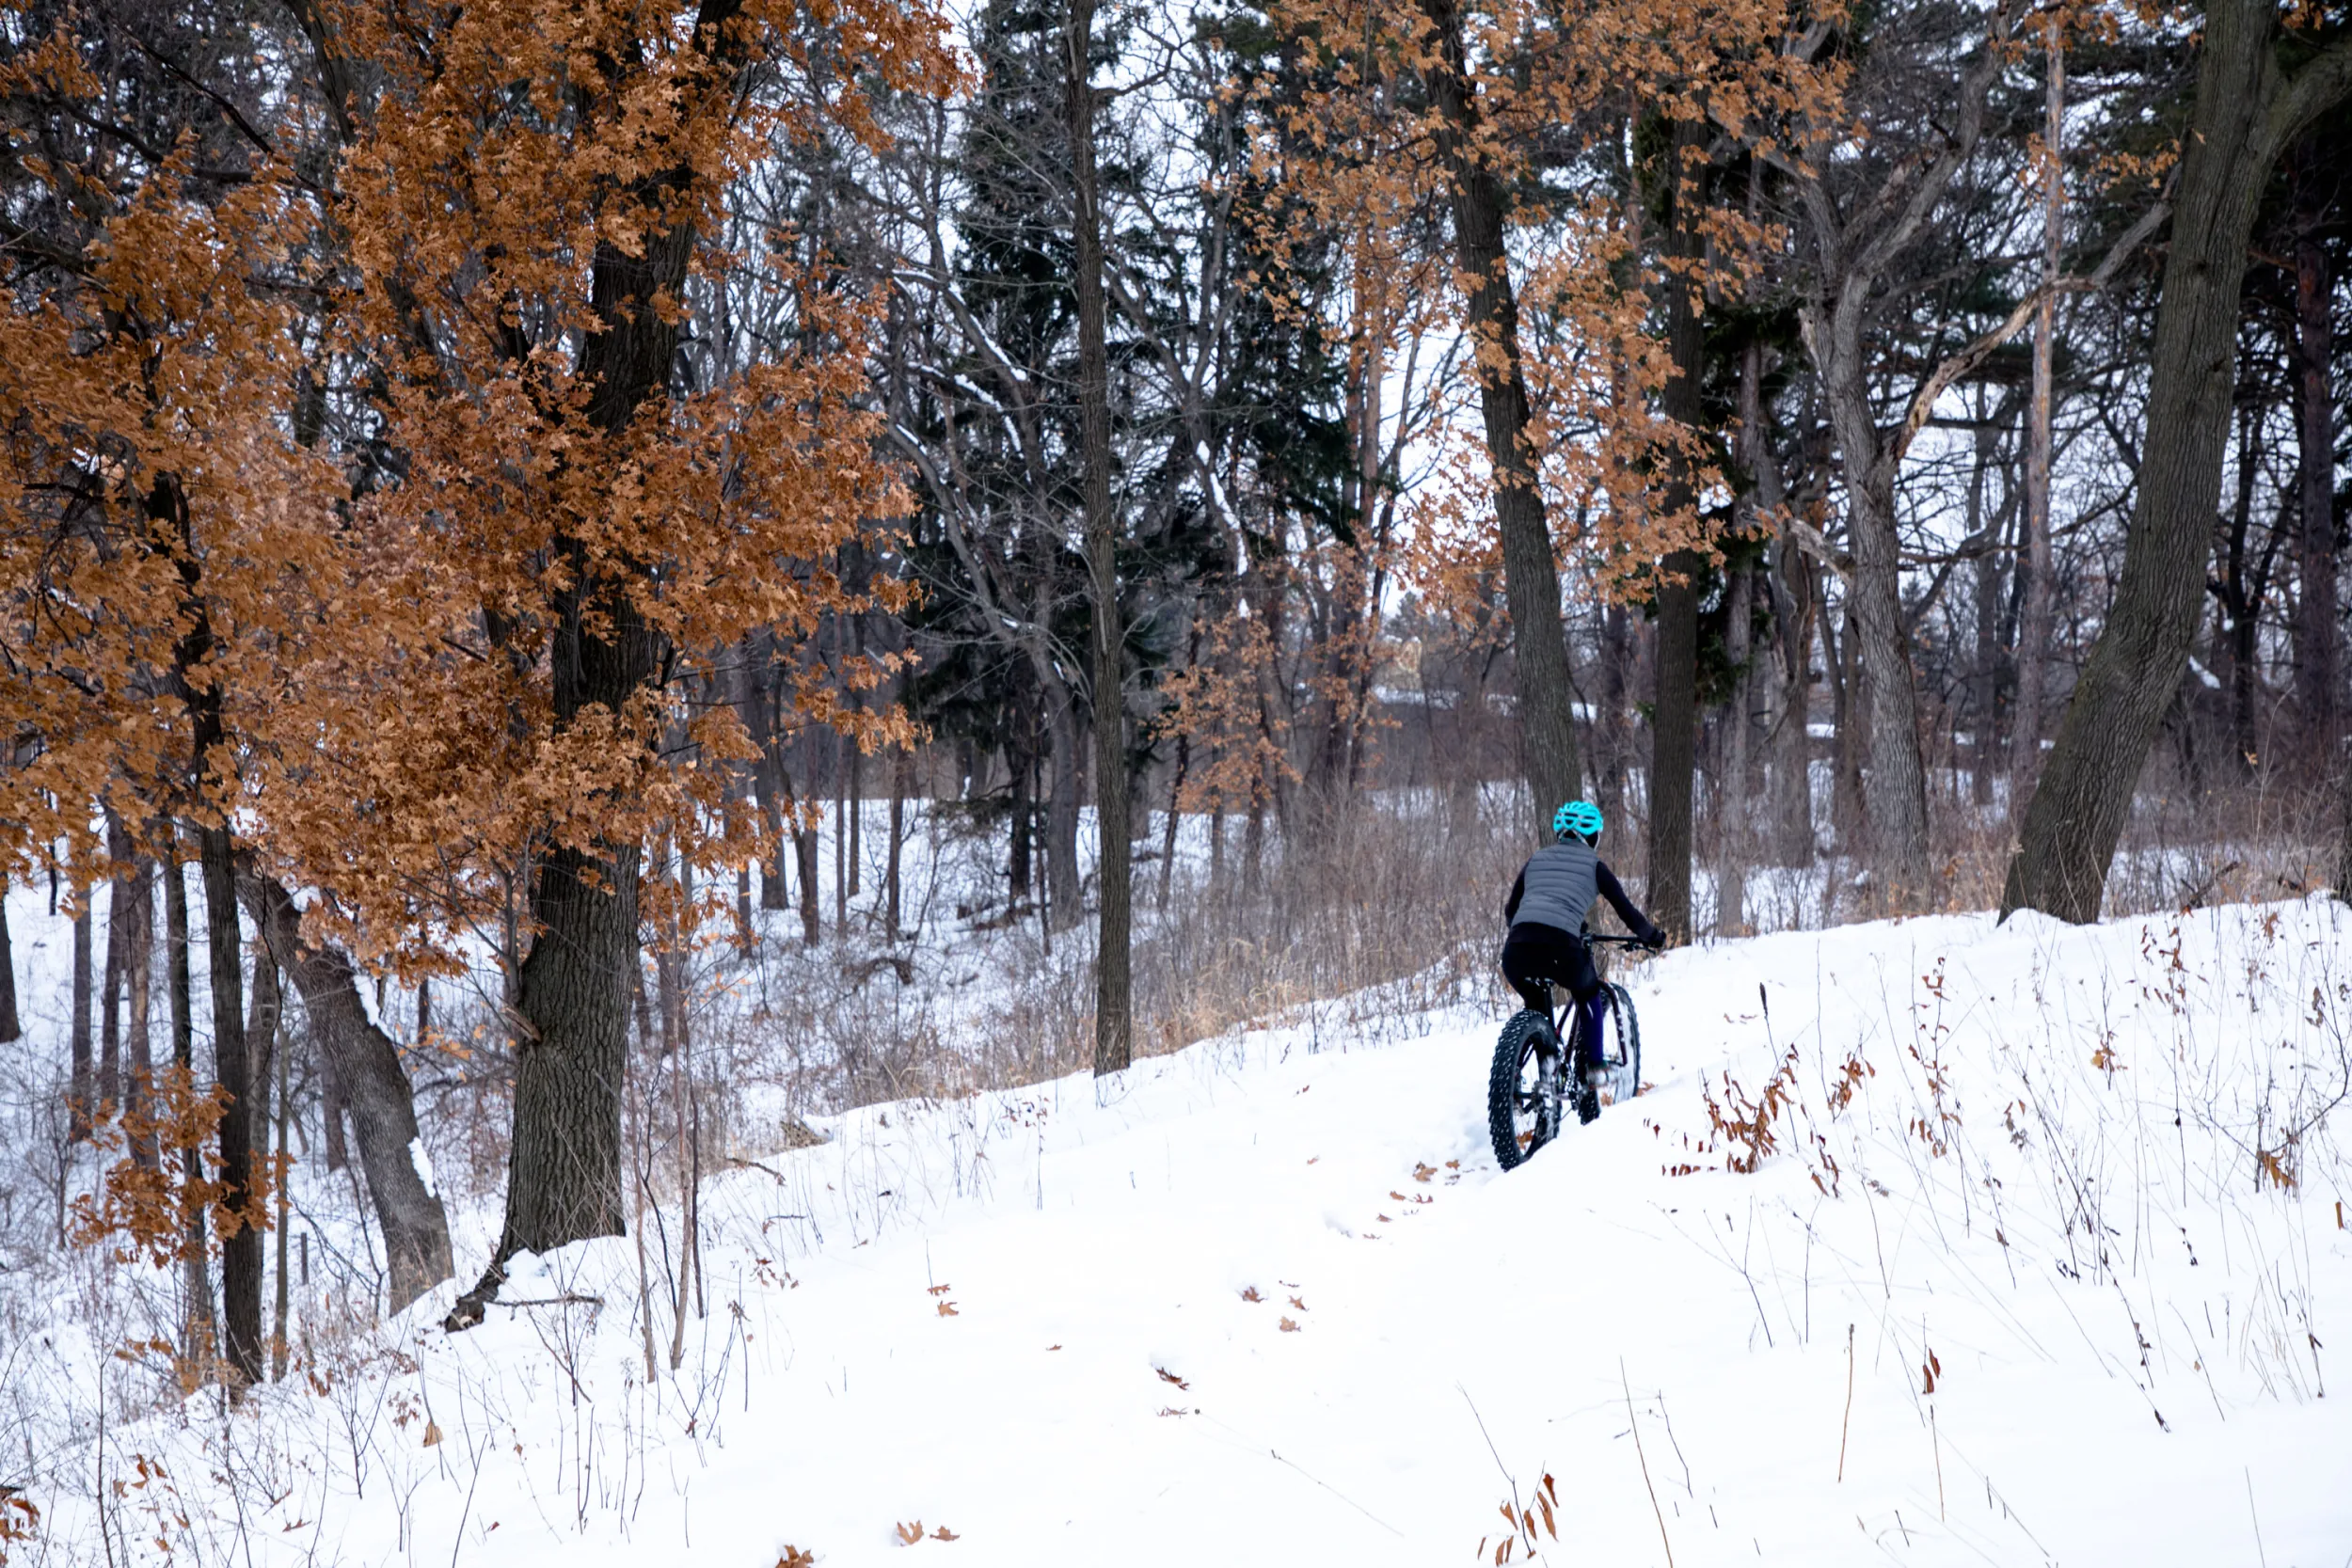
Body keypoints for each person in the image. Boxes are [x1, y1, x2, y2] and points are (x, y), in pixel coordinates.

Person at [1500, 800, 1666, 1122]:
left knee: (1536, 1009)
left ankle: (1527, 1074)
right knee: (1590, 993)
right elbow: (1626, 910)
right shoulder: (1594, 866)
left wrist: (1530, 934)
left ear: (1561, 833)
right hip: (1562, 949)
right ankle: (1592, 1068)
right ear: (1592, 837)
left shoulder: (1536, 860)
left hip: (1517, 951)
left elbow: (1511, 911)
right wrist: (1651, 935)